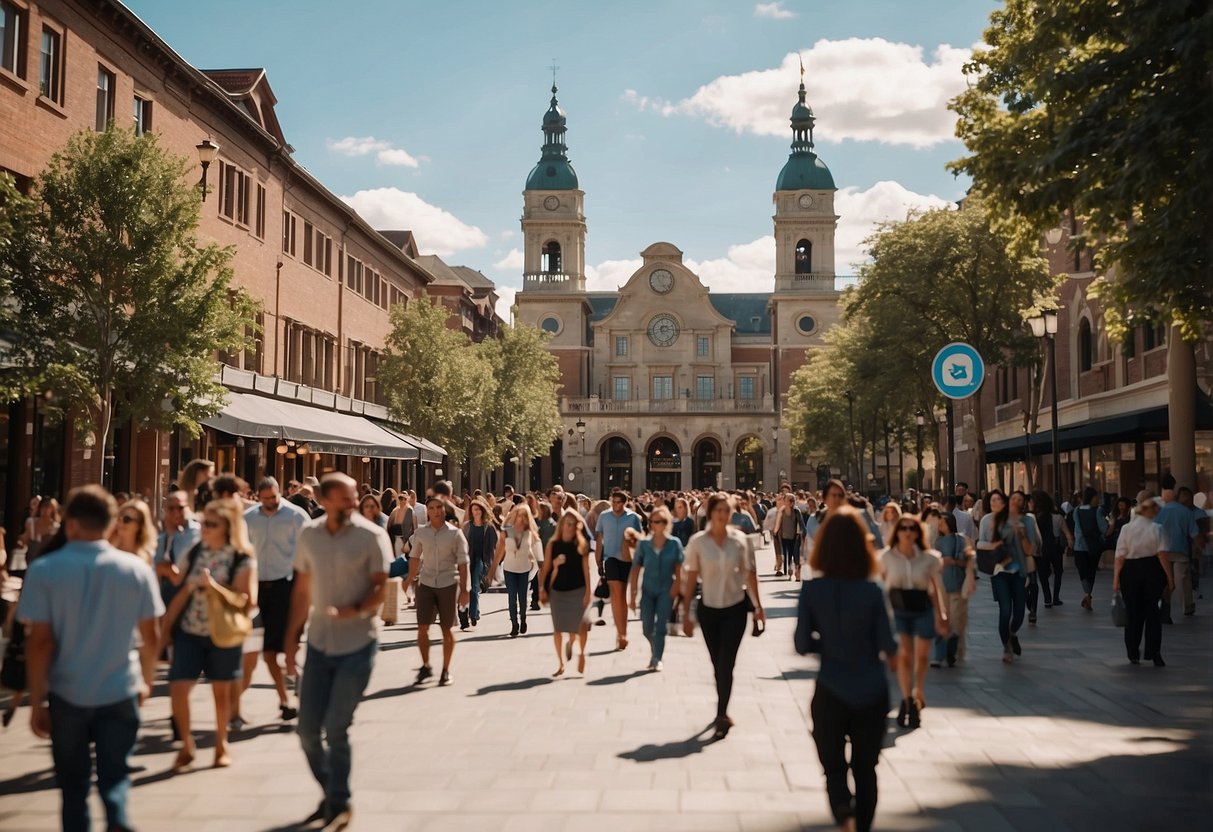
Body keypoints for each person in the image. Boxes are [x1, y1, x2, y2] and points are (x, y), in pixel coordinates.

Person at [17, 486, 163, 832]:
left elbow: (38, 643)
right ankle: (119, 821)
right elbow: (152, 636)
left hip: (68, 693)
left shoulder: (45, 569)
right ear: (111, 524)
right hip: (120, 686)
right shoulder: (135, 569)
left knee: (73, 787)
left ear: (70, 524)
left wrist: (37, 701)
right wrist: (146, 680)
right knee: (115, 778)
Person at [284, 472, 391, 831]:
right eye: (345, 498)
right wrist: (290, 638)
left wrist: (356, 609)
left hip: (358, 642)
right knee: (307, 731)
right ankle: (332, 791)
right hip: (318, 643)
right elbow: (302, 589)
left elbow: (380, 587)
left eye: (354, 497)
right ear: (325, 500)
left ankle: (339, 801)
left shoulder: (372, 536)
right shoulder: (309, 536)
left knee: (336, 726)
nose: (353, 503)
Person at [795, 506, 897, 832]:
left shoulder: (812, 590)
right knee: (866, 769)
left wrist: (829, 645)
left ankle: (843, 811)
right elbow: (889, 645)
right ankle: (862, 825)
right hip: (872, 691)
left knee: (834, 769)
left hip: (831, 689)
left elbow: (801, 644)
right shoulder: (872, 591)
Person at [159, 497, 258, 770]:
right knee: (178, 688)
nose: (205, 528)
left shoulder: (241, 557)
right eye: (203, 523)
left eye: (211, 524)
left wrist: (213, 586)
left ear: (227, 527)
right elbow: (180, 592)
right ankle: (187, 744)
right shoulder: (194, 552)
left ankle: (221, 745)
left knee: (221, 693)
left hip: (223, 635)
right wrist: (165, 632)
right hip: (190, 631)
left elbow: (247, 600)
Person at [682, 493, 764, 741]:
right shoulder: (698, 542)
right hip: (708, 609)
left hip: (735, 608)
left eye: (726, 511)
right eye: (718, 510)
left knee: (727, 663)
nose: (722, 515)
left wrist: (759, 606)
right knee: (717, 664)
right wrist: (685, 612)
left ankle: (721, 714)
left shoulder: (739, 540)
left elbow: (750, 574)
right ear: (710, 513)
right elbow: (691, 578)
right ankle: (722, 709)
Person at [242, 477, 309, 725]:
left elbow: (309, 550)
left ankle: (298, 681)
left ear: (280, 493)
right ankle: (285, 700)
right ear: (258, 497)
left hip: (286, 586)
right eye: (265, 498)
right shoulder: (248, 519)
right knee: (268, 652)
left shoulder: (296, 516)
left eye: (274, 497)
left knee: (286, 647)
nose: (270, 502)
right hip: (257, 588)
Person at [879, 515, 947, 728]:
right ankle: (907, 699)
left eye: (912, 528)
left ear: (918, 533)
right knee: (905, 655)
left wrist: (942, 614)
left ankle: (918, 692)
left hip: (922, 609)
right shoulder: (886, 557)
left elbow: (935, 588)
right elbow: (880, 585)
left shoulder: (929, 558)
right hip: (898, 611)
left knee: (923, 656)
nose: (907, 532)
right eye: (903, 528)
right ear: (897, 532)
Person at [403, 498, 470, 686]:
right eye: (431, 508)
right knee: (422, 627)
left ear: (444, 509)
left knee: (446, 628)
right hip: (425, 583)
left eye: (439, 507)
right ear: (428, 512)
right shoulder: (421, 533)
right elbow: (414, 557)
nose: (436, 511)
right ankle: (425, 666)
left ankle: (446, 670)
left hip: (448, 583)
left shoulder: (455, 534)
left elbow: (464, 563)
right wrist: (409, 580)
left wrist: (464, 591)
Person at [1114, 492, 1175, 666]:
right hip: (1152, 570)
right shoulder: (1157, 528)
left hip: (1130, 571)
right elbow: (1162, 554)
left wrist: (1116, 580)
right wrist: (1170, 578)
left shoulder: (1126, 529)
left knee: (1133, 613)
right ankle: (1154, 652)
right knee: (1153, 613)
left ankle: (1133, 651)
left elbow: (1120, 557)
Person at [978, 490, 1033, 663]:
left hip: (1019, 570)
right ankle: (1006, 647)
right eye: (992, 500)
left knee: (1019, 612)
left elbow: (1030, 550)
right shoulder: (988, 520)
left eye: (999, 500)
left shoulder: (1024, 520)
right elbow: (980, 543)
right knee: (1005, 609)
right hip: (999, 570)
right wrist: (996, 542)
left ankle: (1012, 633)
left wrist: (1021, 533)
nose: (995, 503)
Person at [628, 505, 684, 671]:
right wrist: (632, 595)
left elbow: (679, 569)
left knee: (660, 626)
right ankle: (655, 648)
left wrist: (676, 589)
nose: (657, 524)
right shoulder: (644, 544)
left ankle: (657, 658)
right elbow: (636, 569)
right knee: (646, 627)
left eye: (661, 521)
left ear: (667, 523)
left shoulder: (674, 544)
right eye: (654, 521)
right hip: (648, 590)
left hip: (666, 590)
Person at [538, 509, 593, 676]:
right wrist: (542, 589)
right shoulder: (553, 545)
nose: (570, 527)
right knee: (558, 628)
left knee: (582, 626)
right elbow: (545, 569)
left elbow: (586, 570)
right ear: (561, 525)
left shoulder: (581, 545)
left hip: (578, 590)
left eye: (573, 524)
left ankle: (581, 652)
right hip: (558, 592)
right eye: (567, 523)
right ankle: (561, 663)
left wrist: (588, 592)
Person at [595, 490, 643, 651]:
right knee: (615, 591)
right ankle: (620, 634)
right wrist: (598, 559)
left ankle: (623, 632)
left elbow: (639, 539)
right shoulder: (604, 516)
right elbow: (599, 538)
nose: (616, 505)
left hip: (627, 559)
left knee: (622, 595)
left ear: (625, 503)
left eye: (619, 502)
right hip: (610, 558)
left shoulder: (633, 518)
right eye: (613, 501)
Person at [491, 503, 544, 638]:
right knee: (512, 597)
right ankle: (514, 624)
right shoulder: (506, 530)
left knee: (522, 598)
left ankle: (523, 619)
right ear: (514, 515)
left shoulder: (530, 533)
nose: (521, 518)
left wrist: (540, 567)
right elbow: (499, 552)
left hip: (525, 568)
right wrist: (491, 571)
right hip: (509, 568)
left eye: (524, 515)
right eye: (519, 515)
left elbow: (537, 551)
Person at [930, 512, 974, 668]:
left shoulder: (961, 540)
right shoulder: (937, 541)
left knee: (955, 619)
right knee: (942, 619)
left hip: (957, 584)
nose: (939, 525)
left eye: (942, 522)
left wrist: (953, 561)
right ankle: (939, 654)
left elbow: (968, 562)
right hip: (941, 585)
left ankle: (953, 650)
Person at [1156, 486, 1201, 623]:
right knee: (1183, 579)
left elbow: (1153, 532)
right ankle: (1187, 606)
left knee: (1164, 579)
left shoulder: (1159, 512)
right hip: (1181, 550)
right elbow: (1194, 532)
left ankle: (1165, 606)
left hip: (1163, 551)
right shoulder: (1186, 512)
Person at [460, 498, 498, 630]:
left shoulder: (489, 527)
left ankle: (474, 614)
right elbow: (461, 543)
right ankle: (464, 614)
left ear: (482, 511)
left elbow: (493, 548)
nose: (475, 512)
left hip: (481, 560)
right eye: (473, 509)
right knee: (465, 586)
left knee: (475, 585)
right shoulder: (467, 526)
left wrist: (490, 564)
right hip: (466, 559)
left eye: (477, 509)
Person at [1070, 487, 1109, 610]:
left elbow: (1076, 528)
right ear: (1092, 498)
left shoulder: (1076, 510)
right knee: (1091, 572)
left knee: (1082, 572)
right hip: (1093, 546)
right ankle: (1087, 595)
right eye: (1096, 497)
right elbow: (1103, 529)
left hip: (1079, 546)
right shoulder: (1098, 510)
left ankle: (1087, 595)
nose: (1098, 499)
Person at [1031, 490, 1071, 608]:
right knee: (1058, 572)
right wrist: (1070, 545)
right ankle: (1056, 597)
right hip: (1055, 549)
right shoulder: (1057, 518)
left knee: (1043, 575)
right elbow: (1068, 534)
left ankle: (1047, 598)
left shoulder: (1031, 519)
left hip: (1039, 550)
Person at [108, 498, 157, 564]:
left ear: (139, 525)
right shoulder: (108, 549)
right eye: (119, 518)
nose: (120, 522)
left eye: (126, 519)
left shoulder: (148, 557)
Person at [776, 494, 805, 581]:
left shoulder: (796, 511)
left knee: (794, 555)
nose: (791, 502)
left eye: (792, 500)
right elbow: (778, 523)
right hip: (784, 536)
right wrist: (776, 533)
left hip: (794, 537)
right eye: (789, 500)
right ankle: (788, 571)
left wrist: (803, 534)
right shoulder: (782, 511)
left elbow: (801, 523)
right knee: (786, 555)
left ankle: (794, 572)